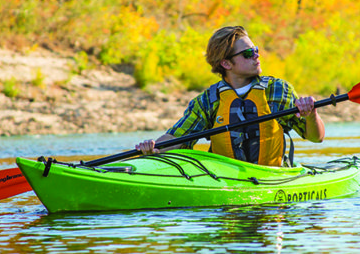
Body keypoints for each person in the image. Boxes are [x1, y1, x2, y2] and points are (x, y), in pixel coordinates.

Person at [134, 26, 324, 166]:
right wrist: (152, 147)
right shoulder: (208, 100)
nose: (256, 56)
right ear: (226, 64)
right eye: (248, 53)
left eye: (256, 50)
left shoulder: (278, 90)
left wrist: (312, 114)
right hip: (227, 180)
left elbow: (317, 138)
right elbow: (177, 138)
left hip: (274, 181)